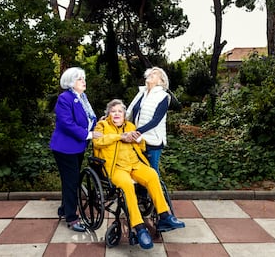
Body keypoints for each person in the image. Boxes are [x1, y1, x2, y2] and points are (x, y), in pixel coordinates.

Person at [93, 99, 185, 250]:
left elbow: (141, 146)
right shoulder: (102, 125)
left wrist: (138, 138)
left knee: (152, 175)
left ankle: (164, 216)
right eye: (113, 111)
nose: (116, 114)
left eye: (120, 111)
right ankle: (140, 227)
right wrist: (120, 137)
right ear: (108, 114)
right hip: (115, 168)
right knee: (127, 185)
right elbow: (98, 142)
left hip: (134, 165)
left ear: (124, 115)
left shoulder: (130, 126)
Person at [49, 67, 102, 232]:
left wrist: (101, 122)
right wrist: (88, 134)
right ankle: (72, 218)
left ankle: (65, 209)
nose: (84, 81)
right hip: (65, 148)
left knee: (69, 180)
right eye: (80, 79)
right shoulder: (64, 98)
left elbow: (89, 119)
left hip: (77, 147)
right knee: (71, 181)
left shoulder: (82, 97)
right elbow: (67, 124)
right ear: (71, 82)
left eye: (84, 78)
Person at [126, 66, 171, 175]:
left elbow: (155, 121)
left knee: (152, 172)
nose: (151, 74)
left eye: (155, 73)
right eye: (150, 72)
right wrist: (111, 119)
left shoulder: (164, 97)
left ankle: (156, 192)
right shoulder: (142, 93)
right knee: (138, 171)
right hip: (137, 139)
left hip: (153, 140)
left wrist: (137, 131)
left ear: (161, 81)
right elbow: (130, 112)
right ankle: (142, 193)